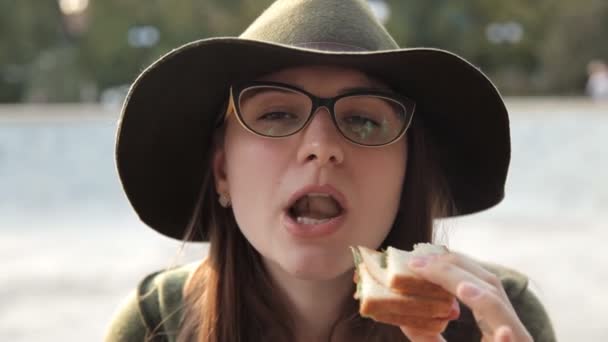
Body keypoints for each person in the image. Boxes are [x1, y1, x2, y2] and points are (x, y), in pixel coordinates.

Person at [105, 0, 556, 341]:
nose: (322, 148)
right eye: (277, 115)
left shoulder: (492, 322)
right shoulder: (152, 327)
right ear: (222, 170)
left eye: (362, 120)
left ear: (408, 171)